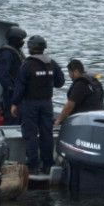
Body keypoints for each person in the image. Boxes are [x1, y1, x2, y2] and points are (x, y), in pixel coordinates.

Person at [11, 35, 65, 174]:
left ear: (30, 48)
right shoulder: (52, 63)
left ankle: (33, 166)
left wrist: (14, 103)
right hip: (47, 103)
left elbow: (20, 86)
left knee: (31, 134)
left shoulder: (27, 64)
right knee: (46, 133)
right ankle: (48, 165)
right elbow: (60, 82)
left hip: (30, 104)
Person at [55, 59, 104, 125]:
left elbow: (70, 105)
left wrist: (58, 120)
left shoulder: (80, 84)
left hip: (86, 120)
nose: (70, 76)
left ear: (75, 72)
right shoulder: (93, 81)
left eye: (70, 73)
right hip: (98, 116)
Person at [0, 26, 27, 125]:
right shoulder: (7, 54)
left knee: (20, 117)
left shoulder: (17, 51)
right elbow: (4, 76)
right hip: (12, 94)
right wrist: (13, 91)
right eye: (21, 39)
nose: (22, 42)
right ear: (15, 39)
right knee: (12, 117)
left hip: (20, 93)